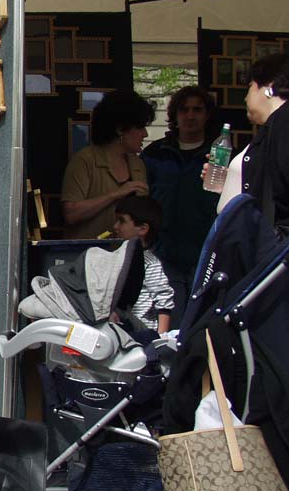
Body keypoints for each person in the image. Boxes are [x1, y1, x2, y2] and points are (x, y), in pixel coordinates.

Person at [142, 87, 220, 323]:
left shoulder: (219, 156)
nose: (190, 115)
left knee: (202, 324)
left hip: (205, 253)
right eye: (184, 109)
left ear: (207, 115)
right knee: (169, 322)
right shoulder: (155, 154)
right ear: (174, 115)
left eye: (197, 109)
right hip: (164, 254)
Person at [211, 52, 289, 231]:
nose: (245, 97)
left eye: (250, 86)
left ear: (269, 87)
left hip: (275, 249)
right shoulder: (275, 126)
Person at [61, 89, 153, 239]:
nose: (145, 134)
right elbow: (71, 213)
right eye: (140, 127)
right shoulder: (85, 160)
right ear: (120, 129)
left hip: (126, 255)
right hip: (89, 255)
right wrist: (115, 194)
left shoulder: (137, 164)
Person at [112, 195, 174, 334]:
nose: (115, 226)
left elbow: (164, 303)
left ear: (142, 228)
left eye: (121, 221)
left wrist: (160, 338)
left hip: (141, 334)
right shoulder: (118, 256)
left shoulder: (149, 262)